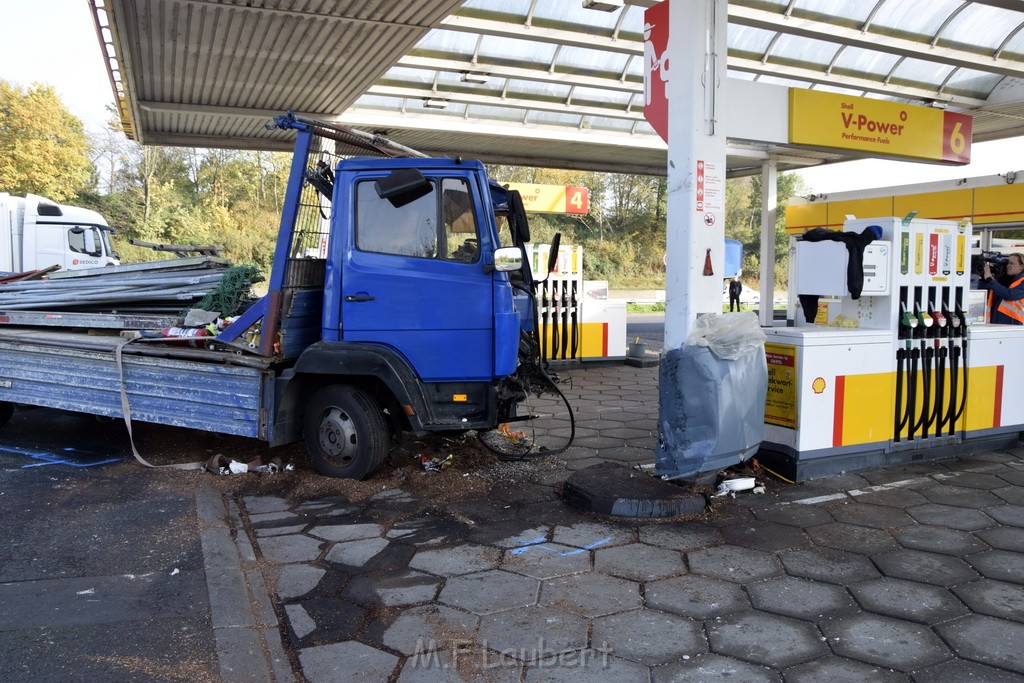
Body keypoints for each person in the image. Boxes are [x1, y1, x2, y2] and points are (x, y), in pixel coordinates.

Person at [980, 252, 1024, 324]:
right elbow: (983, 295)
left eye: (1011, 263)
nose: (1008, 266)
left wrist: (989, 279)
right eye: (1007, 263)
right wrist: (984, 278)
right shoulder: (1002, 280)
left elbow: (1009, 295)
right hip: (995, 323)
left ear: (1021, 267)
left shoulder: (1022, 282)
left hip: (1014, 325)